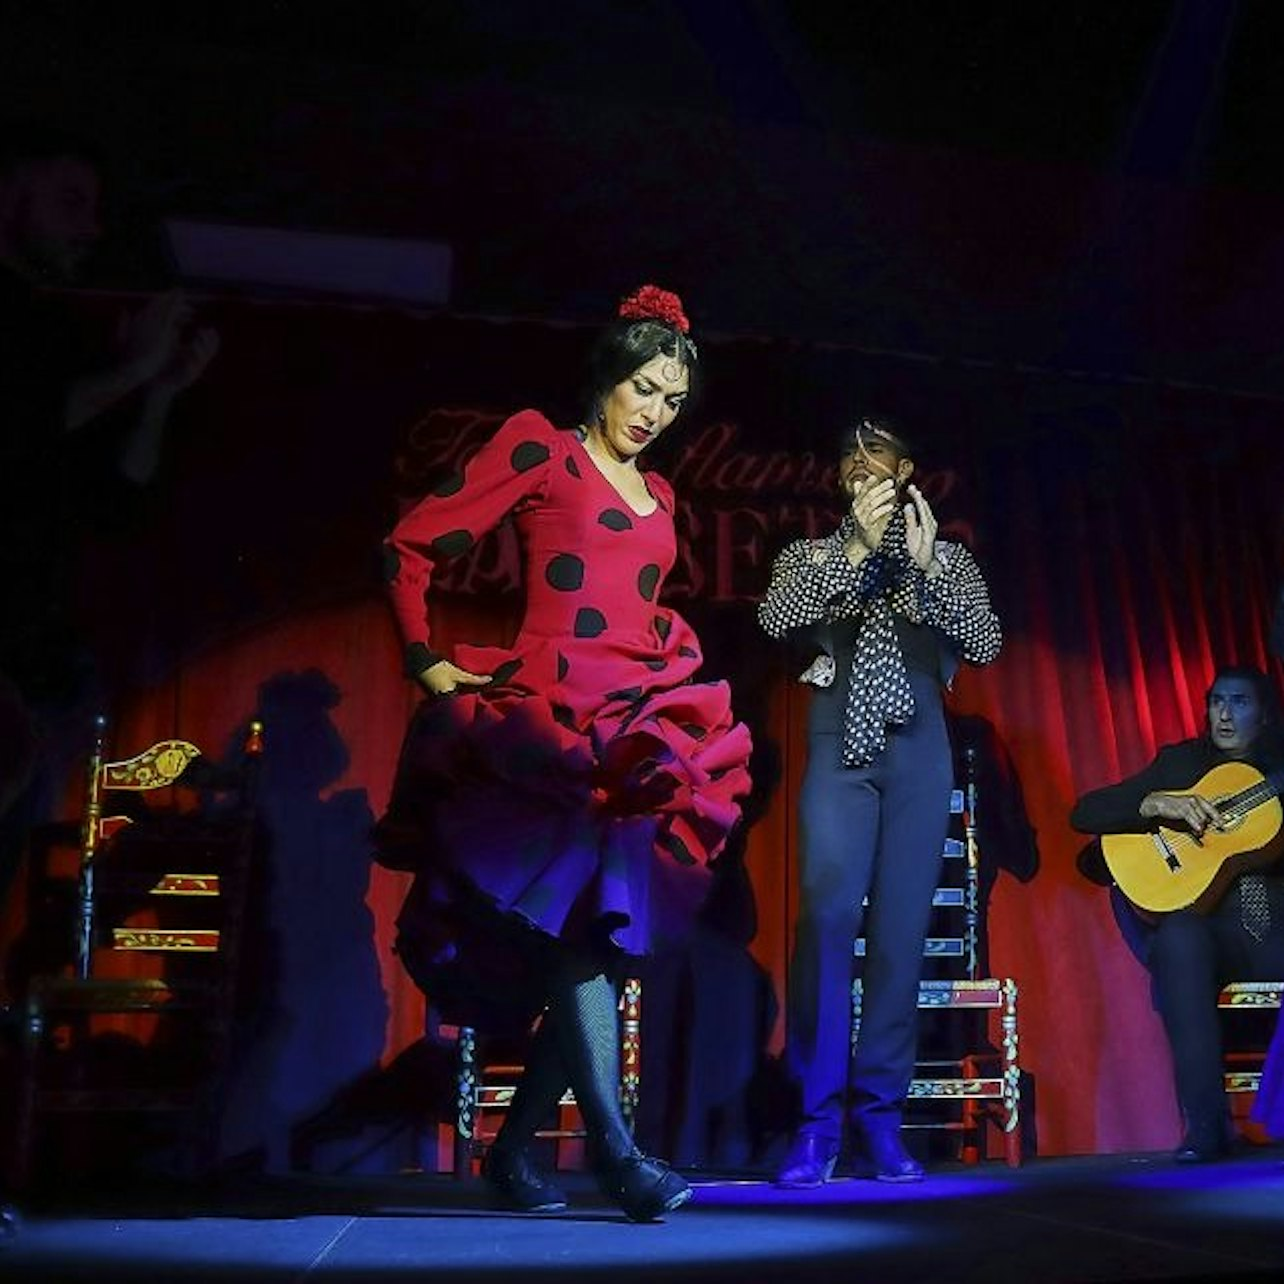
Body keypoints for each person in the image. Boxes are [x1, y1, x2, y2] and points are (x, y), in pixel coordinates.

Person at [375, 284, 752, 1220]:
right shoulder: (543, 447)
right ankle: (620, 1159)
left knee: (609, 943)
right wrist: (427, 665)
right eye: (644, 390)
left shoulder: (661, 492)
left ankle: (515, 1156)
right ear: (607, 379)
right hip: (552, 726)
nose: (655, 415)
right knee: (580, 938)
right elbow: (409, 545)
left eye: (672, 400)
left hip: (637, 724)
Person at [757, 415, 1001, 1185]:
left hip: (920, 753)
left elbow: (988, 643)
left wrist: (925, 574)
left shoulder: (947, 560)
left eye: (881, 467)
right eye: (852, 469)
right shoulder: (813, 557)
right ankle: (815, 1126)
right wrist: (857, 556)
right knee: (827, 923)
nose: (866, 480)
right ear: (840, 482)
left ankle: (880, 1122)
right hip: (841, 750)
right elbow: (776, 619)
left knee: (899, 938)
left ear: (907, 476)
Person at [0, 119, 218, 895]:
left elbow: (112, 505)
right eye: (68, 201)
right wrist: (133, 372)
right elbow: (20, 429)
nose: (89, 228)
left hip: (32, 648)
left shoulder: (55, 330)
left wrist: (155, 394)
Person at [1071, 665, 1284, 1161]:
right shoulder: (1182, 763)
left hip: (1273, 928)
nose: (1226, 714)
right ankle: (1207, 1127)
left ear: (1266, 715)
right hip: (1211, 927)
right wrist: (1155, 802)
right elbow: (1085, 812)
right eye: (1217, 702)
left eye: (1241, 702)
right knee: (1178, 938)